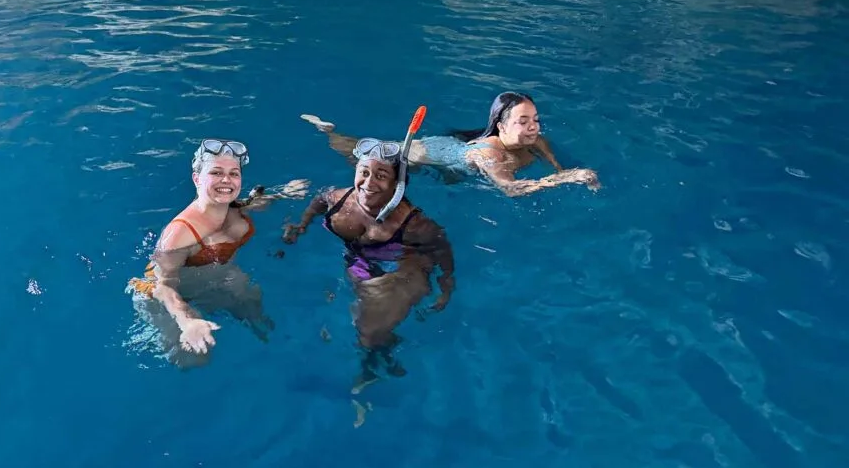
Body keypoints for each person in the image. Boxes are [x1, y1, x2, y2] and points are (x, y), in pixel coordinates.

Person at [282, 135, 455, 387]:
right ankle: (381, 354)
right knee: (363, 325)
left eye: (381, 175)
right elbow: (319, 200)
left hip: (402, 267)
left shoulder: (414, 224)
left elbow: (441, 249)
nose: (368, 182)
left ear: (398, 184)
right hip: (358, 262)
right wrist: (302, 224)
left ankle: (372, 368)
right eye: (364, 172)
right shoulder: (339, 198)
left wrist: (446, 286)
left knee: (369, 331)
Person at [127, 139, 308, 358]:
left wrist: (284, 193)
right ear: (197, 179)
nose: (226, 180)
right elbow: (163, 287)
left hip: (218, 277)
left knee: (256, 312)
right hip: (167, 296)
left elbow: (255, 204)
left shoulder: (234, 208)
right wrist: (187, 321)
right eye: (216, 172)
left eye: (234, 173)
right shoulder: (181, 232)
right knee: (193, 358)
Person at [300, 91, 600, 198]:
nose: (533, 126)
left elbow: (559, 167)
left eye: (535, 118)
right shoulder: (489, 154)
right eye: (523, 121)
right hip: (435, 153)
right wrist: (562, 180)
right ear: (501, 125)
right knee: (365, 154)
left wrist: (565, 173)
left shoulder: (537, 140)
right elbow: (510, 190)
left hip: (457, 164)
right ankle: (327, 130)